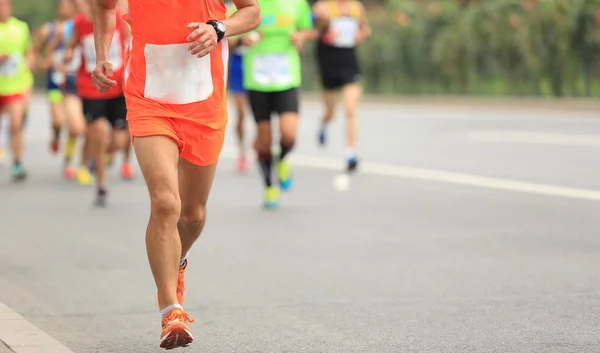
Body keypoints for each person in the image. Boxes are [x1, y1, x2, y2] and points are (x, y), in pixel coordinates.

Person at [91, 0, 260, 349]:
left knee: (193, 214)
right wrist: (101, 54)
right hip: (148, 100)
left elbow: (252, 11)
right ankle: (172, 310)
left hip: (204, 105)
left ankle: (177, 259)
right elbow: (104, 6)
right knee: (166, 201)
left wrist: (218, 28)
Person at [242, 0, 315, 208]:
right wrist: (243, 41)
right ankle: (269, 186)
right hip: (257, 80)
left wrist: (300, 36)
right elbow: (228, 33)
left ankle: (281, 159)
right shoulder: (248, 3)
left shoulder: (297, 3)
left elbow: (310, 30)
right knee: (264, 142)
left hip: (286, 78)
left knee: (289, 135)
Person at [65, 0, 129, 205]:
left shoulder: (118, 17)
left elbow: (128, 42)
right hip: (91, 87)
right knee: (99, 134)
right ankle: (101, 185)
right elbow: (71, 46)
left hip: (117, 85)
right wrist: (68, 55)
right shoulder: (80, 23)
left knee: (118, 141)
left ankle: (103, 157)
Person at [312, 0, 371, 172]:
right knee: (331, 111)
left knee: (350, 109)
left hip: (349, 61)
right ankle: (323, 124)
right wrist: (324, 34)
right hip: (328, 61)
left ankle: (350, 152)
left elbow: (365, 29)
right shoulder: (322, 7)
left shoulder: (356, 8)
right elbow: (309, 28)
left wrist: (361, 35)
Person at [0, 0, 34, 181]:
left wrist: (30, 69)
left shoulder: (20, 27)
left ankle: (17, 163)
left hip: (15, 85)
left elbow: (27, 51)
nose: (1, 8)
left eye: (4, 4)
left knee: (16, 124)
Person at [226, 1, 253, 174]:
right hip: (239, 65)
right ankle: (242, 152)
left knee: (261, 113)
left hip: (261, 65)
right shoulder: (230, 9)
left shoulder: (267, 7)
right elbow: (223, 39)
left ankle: (261, 147)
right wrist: (242, 40)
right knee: (241, 113)